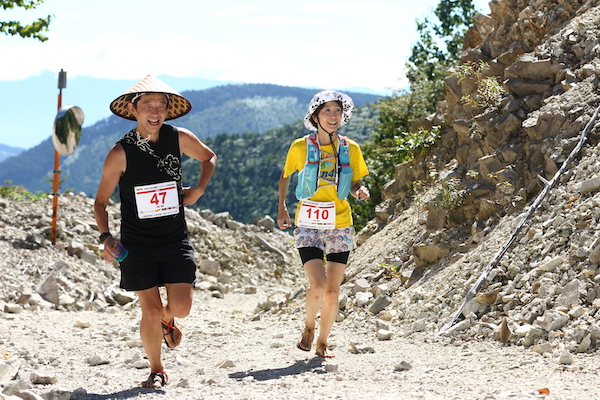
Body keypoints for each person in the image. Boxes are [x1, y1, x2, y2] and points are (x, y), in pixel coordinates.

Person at [94, 75, 217, 388]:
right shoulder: (120, 153)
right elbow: (100, 202)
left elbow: (209, 157)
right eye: (147, 104)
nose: (155, 110)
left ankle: (169, 318)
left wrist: (199, 189)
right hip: (137, 245)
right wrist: (106, 237)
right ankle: (157, 369)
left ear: (167, 110)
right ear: (134, 110)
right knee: (149, 310)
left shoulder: (179, 138)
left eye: (161, 105)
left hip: (175, 240)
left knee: (182, 308)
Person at [277, 90, 370, 358]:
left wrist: (359, 191)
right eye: (327, 111)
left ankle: (322, 342)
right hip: (308, 223)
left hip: (340, 224)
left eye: (337, 111)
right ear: (315, 116)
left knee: (332, 290)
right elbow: (285, 176)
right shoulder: (300, 147)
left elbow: (354, 184)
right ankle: (308, 327)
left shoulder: (350, 148)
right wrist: (282, 206)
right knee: (318, 285)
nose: (333, 116)